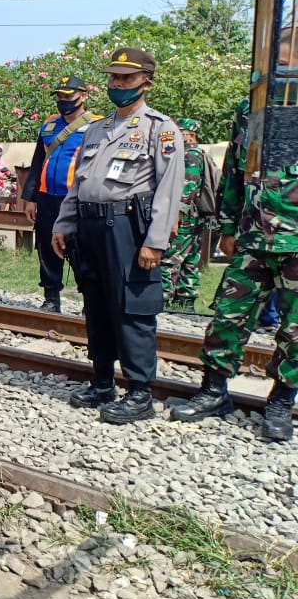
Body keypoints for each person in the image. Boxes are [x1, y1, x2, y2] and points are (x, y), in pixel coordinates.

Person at [171, 36, 298, 438]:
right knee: (227, 317)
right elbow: (233, 173)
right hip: (252, 238)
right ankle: (213, 391)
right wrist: (227, 227)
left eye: (285, 58)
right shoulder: (250, 109)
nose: (276, 67)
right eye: (273, 58)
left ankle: (280, 402)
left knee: (295, 329)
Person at [52, 48, 184, 424]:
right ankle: (103, 381)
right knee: (96, 305)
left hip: (127, 228)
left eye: (126, 79)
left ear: (146, 82)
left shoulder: (160, 129)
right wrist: (64, 224)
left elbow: (168, 189)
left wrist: (155, 242)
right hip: (90, 228)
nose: (118, 85)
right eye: (113, 78)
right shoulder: (95, 128)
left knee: (132, 308)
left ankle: (140, 392)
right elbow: (79, 183)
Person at [21, 76, 100, 313]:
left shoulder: (98, 125)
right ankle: (51, 298)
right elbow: (37, 162)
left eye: (68, 96)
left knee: (82, 250)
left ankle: (90, 301)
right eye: (59, 96)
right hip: (47, 198)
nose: (63, 101)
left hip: (77, 199)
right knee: (46, 248)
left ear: (83, 96)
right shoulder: (48, 125)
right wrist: (30, 198)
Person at [160, 117, 215, 310]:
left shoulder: (190, 155)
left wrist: (176, 219)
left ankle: (163, 298)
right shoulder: (199, 153)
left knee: (169, 258)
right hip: (195, 217)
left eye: (179, 132)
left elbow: (187, 188)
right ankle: (186, 300)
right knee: (190, 259)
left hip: (184, 218)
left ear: (189, 134)